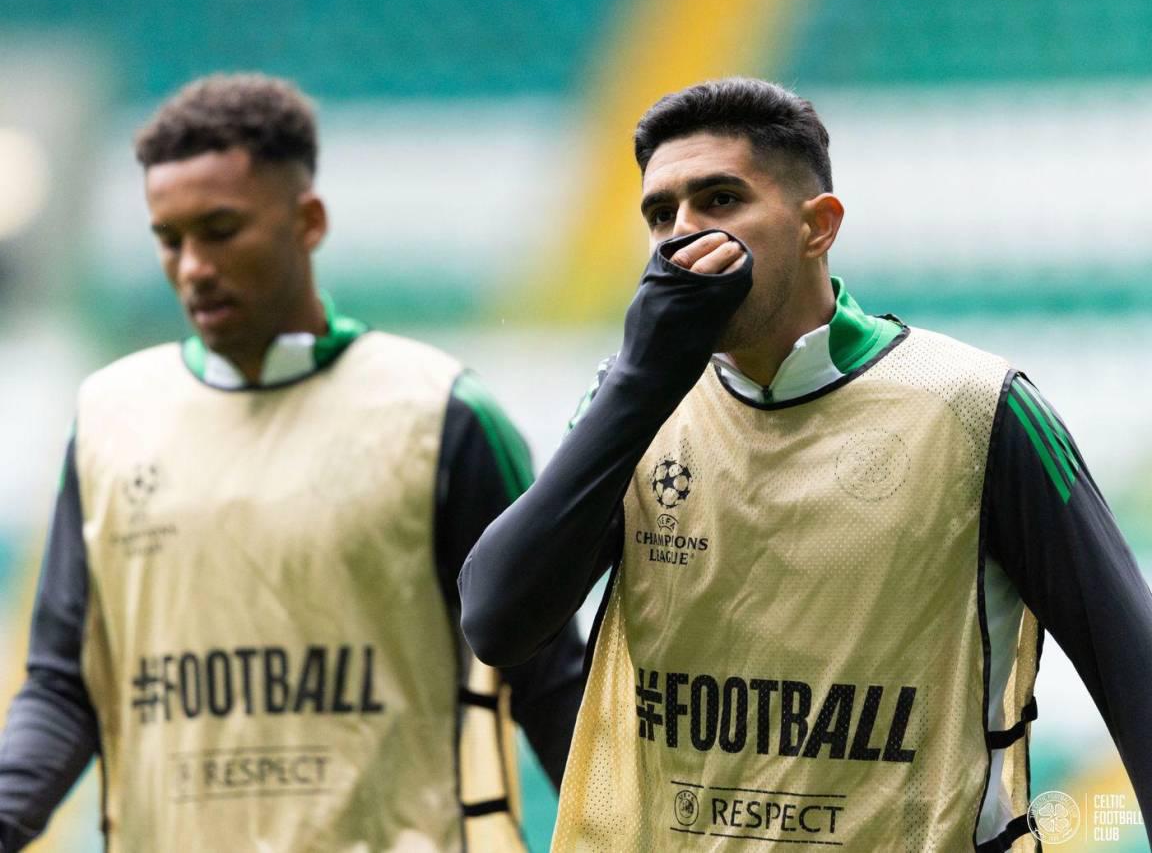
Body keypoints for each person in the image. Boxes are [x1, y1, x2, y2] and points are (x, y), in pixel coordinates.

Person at [459, 77, 1152, 850]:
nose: (682, 236)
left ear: (817, 227)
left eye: (720, 200)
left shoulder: (978, 408)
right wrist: (641, 381)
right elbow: (498, 622)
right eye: (661, 214)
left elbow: (1134, 674)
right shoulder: (630, 407)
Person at [0, 73, 584, 852]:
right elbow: (62, 683)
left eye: (221, 230)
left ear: (308, 221)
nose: (192, 267)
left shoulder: (440, 412)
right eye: (169, 240)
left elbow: (550, 681)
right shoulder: (109, 419)